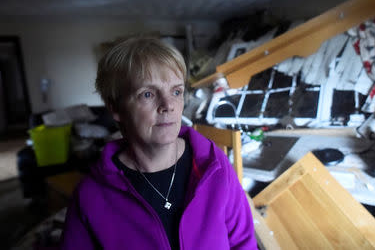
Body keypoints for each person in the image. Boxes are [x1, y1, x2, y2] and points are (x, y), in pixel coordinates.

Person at [61, 37, 257, 250]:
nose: (168, 105)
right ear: (116, 108)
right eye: (147, 94)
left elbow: (243, 244)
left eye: (176, 92)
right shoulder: (91, 195)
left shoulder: (214, 165)